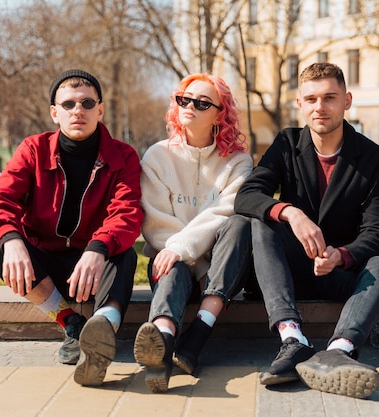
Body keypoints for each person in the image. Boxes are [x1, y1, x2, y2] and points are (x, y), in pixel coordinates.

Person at [234, 62, 379, 399]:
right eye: (310, 99)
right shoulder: (286, 143)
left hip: (339, 273)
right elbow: (247, 196)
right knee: (263, 224)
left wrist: (342, 255)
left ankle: (339, 350)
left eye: (329, 98)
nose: (319, 107)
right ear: (299, 104)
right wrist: (290, 212)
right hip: (289, 267)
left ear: (347, 101)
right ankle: (292, 340)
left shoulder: (370, 155)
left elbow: (376, 228)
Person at [0, 69, 144, 387]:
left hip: (94, 266)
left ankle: (103, 331)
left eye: (86, 103)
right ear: (55, 113)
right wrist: (11, 239)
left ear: (100, 109)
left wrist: (97, 249)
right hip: (47, 267)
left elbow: (127, 213)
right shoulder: (33, 149)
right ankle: (71, 323)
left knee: (124, 254)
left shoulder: (123, 156)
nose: (77, 111)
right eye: (68, 104)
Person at [133, 73, 253, 393]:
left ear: (220, 114)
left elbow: (226, 213)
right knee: (170, 263)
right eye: (184, 99)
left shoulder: (238, 162)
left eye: (202, 103)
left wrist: (197, 261)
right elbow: (156, 223)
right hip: (174, 266)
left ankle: (195, 336)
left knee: (240, 225)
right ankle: (162, 342)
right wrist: (190, 259)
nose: (190, 107)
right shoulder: (157, 157)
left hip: (221, 270)